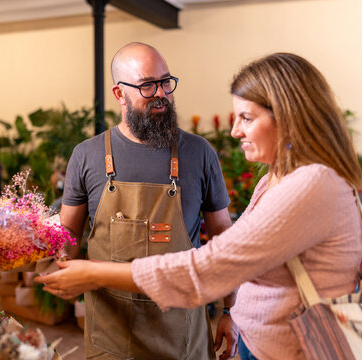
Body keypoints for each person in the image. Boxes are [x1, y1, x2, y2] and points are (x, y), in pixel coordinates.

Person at [36, 52, 362, 359]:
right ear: (119, 94)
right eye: (148, 85)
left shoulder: (312, 184)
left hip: (293, 348)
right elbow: (236, 259)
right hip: (260, 344)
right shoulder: (273, 180)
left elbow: (213, 264)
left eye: (246, 117)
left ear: (289, 116)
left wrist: (95, 272)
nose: (235, 131)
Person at [40, 42, 239, 360]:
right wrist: (38, 250)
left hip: (182, 338)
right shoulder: (87, 155)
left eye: (165, 81)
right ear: (119, 94)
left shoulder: (199, 152)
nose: (161, 93)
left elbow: (223, 239)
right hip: (112, 338)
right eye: (147, 85)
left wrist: (232, 310)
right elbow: (68, 239)